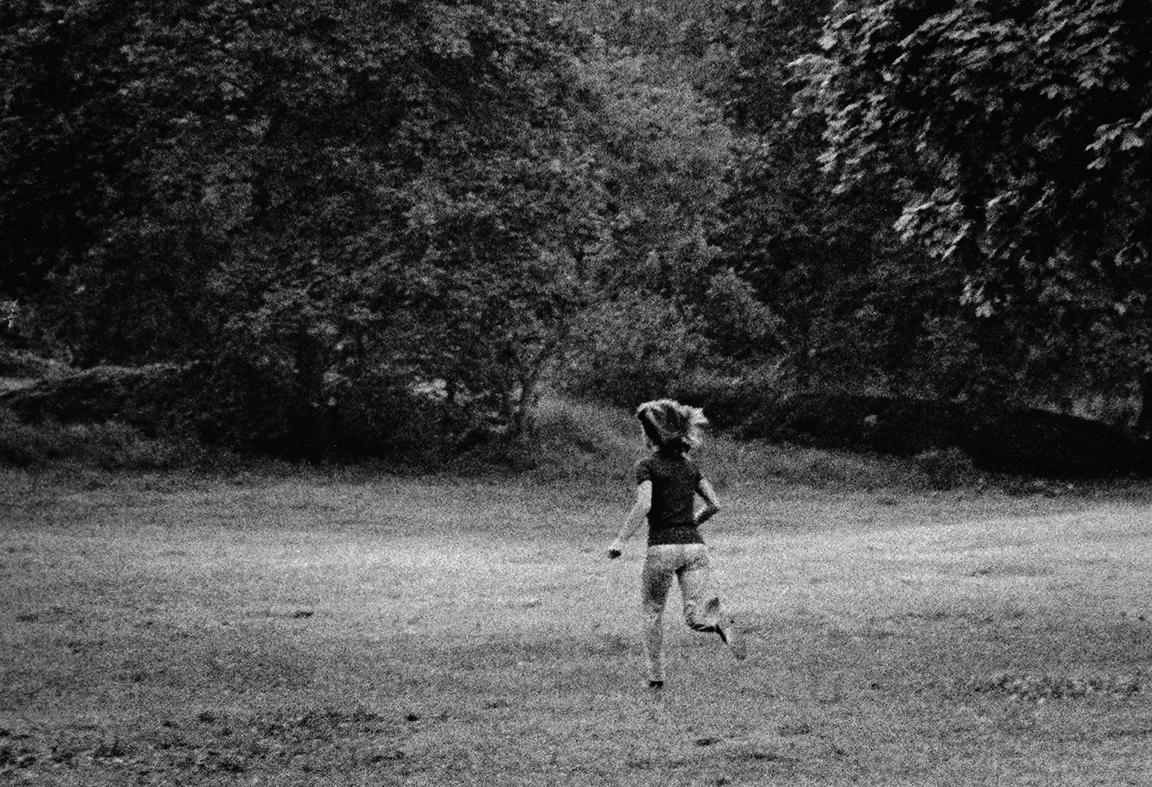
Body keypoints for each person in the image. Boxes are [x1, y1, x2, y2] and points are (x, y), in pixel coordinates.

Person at [607, 398, 746, 689]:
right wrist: (689, 522)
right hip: (695, 547)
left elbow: (644, 504)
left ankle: (656, 678)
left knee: (652, 612)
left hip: (662, 547)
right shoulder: (689, 466)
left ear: (650, 434)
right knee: (695, 617)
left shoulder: (647, 465)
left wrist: (620, 540)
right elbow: (714, 504)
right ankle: (717, 623)